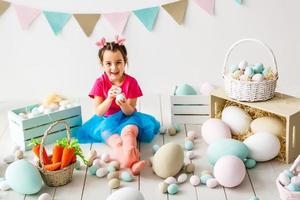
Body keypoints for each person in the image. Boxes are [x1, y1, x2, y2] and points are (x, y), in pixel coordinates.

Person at [74, 36, 160, 175]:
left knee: (129, 134)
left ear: (125, 62)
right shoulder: (99, 83)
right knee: (116, 142)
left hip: (127, 118)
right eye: (108, 63)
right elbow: (98, 112)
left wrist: (124, 105)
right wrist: (109, 99)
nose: (114, 67)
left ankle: (131, 161)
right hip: (105, 121)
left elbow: (130, 112)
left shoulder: (131, 83)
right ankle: (132, 164)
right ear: (102, 64)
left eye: (118, 62)